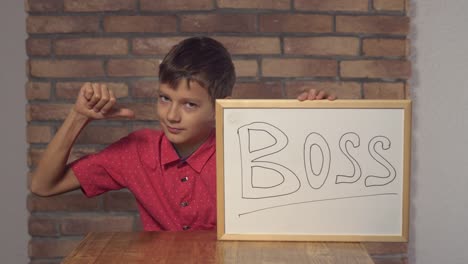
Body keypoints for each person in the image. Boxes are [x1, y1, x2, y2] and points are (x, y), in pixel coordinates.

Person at [30, 36, 336, 231]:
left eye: (189, 104)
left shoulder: (248, 151)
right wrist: (78, 117)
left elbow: (317, 198)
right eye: (165, 98)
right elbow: (44, 186)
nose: (171, 115)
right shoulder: (137, 150)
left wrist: (314, 127)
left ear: (219, 107)